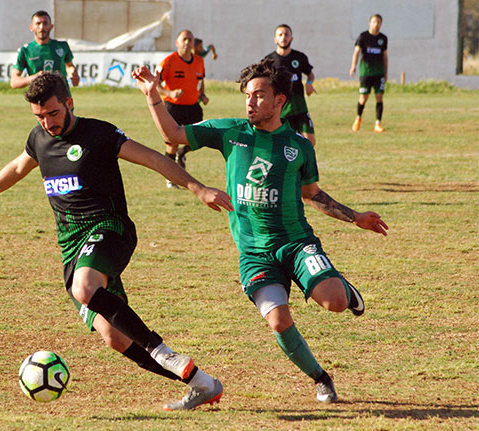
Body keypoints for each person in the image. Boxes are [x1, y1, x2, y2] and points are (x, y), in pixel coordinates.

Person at [0, 72, 232, 410]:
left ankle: (164, 352)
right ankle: (201, 383)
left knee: (84, 288)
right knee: (115, 337)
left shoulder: (99, 133)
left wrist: (198, 188)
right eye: (39, 116)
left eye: (53, 113)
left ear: (69, 103)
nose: (47, 122)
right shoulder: (39, 139)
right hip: (72, 247)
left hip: (110, 228)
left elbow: (154, 159)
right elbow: (16, 168)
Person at [133, 59, 388, 403]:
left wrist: (355, 216)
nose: (249, 102)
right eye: (247, 96)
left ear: (280, 100)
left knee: (336, 302)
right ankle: (321, 378)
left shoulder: (299, 147)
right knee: (279, 321)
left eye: (258, 95)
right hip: (254, 253)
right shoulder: (231, 132)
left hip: (296, 244)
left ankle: (342, 286)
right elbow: (173, 135)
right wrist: (153, 94)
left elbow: (312, 195)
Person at [156, 29, 208, 188]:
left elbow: (200, 80)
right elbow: (156, 85)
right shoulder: (168, 62)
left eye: (190, 40)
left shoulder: (199, 61)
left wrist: (202, 94)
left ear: (194, 43)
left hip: (193, 106)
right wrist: (169, 92)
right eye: (184, 39)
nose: (187, 42)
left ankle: (182, 153)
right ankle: (171, 178)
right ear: (177, 42)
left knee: (201, 138)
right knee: (171, 143)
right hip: (173, 108)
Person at [264, 24, 317, 147]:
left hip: (300, 108)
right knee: (282, 143)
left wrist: (309, 83)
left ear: (291, 38)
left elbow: (310, 74)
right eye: (280, 35)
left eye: (286, 34)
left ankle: (301, 164)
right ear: (275, 39)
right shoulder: (269, 61)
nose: (284, 37)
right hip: (281, 110)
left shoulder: (299, 57)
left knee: (310, 141)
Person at [10, 10, 79, 95]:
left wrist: (73, 74)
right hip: (39, 100)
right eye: (38, 24)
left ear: (51, 26)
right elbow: (14, 82)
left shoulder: (62, 46)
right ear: (31, 27)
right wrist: (35, 77)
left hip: (63, 99)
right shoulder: (25, 51)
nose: (42, 27)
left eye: (45, 23)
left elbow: (69, 65)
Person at [349, 14, 388, 133]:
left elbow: (385, 57)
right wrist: (353, 66)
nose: (377, 24)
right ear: (370, 23)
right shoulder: (363, 36)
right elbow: (356, 52)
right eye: (374, 22)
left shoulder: (383, 38)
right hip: (366, 72)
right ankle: (358, 118)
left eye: (379, 22)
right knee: (363, 98)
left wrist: (386, 73)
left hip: (379, 72)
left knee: (379, 97)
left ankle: (378, 124)